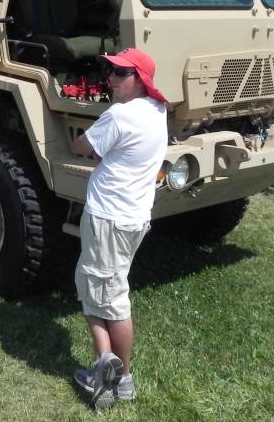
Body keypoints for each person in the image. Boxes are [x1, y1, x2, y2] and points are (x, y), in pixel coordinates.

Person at [71, 48, 168, 409]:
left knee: (105, 296)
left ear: (140, 79)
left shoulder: (119, 115)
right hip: (134, 217)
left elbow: (82, 146)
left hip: (107, 218)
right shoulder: (157, 112)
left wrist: (90, 137)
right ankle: (114, 370)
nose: (110, 77)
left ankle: (114, 373)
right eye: (110, 70)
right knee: (106, 286)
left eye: (121, 73)